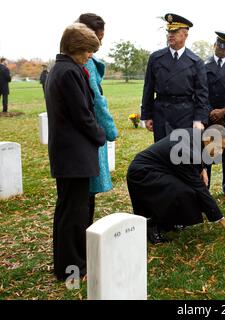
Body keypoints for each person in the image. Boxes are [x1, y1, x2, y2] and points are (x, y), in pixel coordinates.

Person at [45, 23, 105, 281]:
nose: (89, 56)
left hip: (68, 153)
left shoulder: (59, 69)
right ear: (74, 48)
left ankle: (65, 264)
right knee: (74, 214)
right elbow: (82, 114)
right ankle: (74, 266)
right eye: (87, 51)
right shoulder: (69, 72)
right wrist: (100, 135)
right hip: (74, 154)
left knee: (67, 210)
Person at [127, 126, 225, 244]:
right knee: (182, 191)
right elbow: (200, 190)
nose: (221, 152)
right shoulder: (187, 152)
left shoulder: (198, 135)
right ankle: (151, 225)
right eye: (220, 147)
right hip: (143, 174)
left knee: (186, 191)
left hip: (160, 169)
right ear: (208, 139)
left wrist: (202, 168)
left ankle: (170, 221)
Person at [141, 13, 209, 142]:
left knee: (181, 155)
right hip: (161, 113)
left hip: (185, 114)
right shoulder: (156, 58)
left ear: (186, 35)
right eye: (169, 31)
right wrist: (147, 115)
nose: (170, 35)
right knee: (162, 153)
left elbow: (202, 94)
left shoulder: (196, 62)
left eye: (175, 31)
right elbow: (148, 88)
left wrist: (199, 119)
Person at [77, 13, 118, 225]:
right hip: (89, 132)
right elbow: (97, 100)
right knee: (85, 196)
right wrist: (111, 131)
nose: (101, 43)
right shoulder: (88, 63)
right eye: (99, 37)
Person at [204, 31, 225, 199]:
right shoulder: (203, 66)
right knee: (208, 152)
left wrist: (224, 111)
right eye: (220, 45)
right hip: (209, 116)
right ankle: (205, 187)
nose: (223, 48)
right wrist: (211, 111)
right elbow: (201, 92)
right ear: (214, 45)